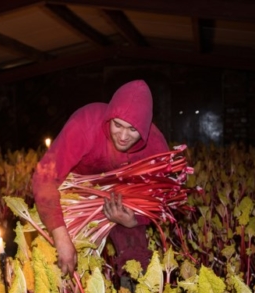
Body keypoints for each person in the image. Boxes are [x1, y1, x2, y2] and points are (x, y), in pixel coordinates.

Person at [31, 79, 169, 278]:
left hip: (123, 199)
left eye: (133, 130)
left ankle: (131, 292)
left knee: (135, 259)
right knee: (54, 260)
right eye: (118, 125)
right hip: (77, 195)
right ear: (109, 117)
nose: (123, 136)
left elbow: (160, 198)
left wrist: (135, 220)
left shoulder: (155, 148)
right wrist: (61, 237)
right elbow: (45, 178)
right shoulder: (85, 123)